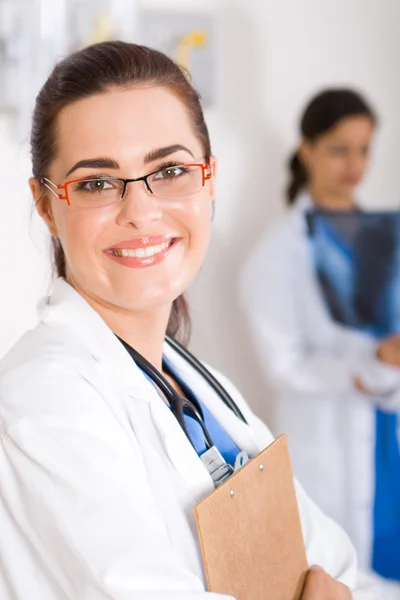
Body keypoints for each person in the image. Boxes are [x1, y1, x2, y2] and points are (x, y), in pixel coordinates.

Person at [0, 46, 375, 600]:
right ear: (45, 203)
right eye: (97, 183)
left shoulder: (195, 380)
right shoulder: (45, 397)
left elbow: (338, 566)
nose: (141, 210)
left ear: (209, 179)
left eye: (170, 170)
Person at [240, 89, 400, 595]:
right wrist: (372, 362)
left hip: (387, 433)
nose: (355, 164)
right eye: (339, 148)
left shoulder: (385, 241)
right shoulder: (275, 254)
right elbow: (284, 365)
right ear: (306, 150)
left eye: (364, 149)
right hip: (327, 443)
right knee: (339, 575)